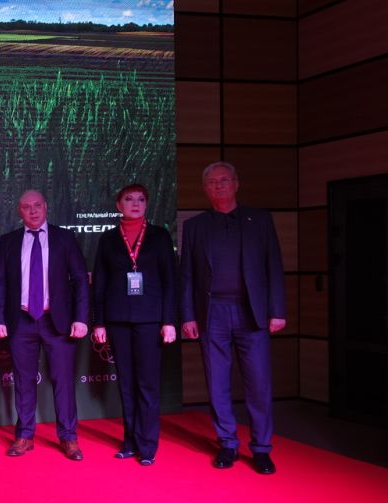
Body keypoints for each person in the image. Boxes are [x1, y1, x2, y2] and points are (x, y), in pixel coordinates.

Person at [181, 161, 286, 475]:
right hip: (212, 312)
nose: (218, 186)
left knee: (258, 383)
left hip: (252, 312)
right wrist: (188, 316)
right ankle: (227, 443)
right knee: (217, 382)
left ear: (236, 184)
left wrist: (277, 310)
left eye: (224, 180)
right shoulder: (195, 226)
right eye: (212, 182)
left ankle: (261, 448)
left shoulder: (260, 220)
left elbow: (274, 266)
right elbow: (187, 275)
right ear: (205, 189)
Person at [0, 190, 89, 459]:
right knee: (23, 381)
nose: (32, 211)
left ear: (46, 207)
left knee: (64, 382)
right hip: (21, 321)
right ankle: (24, 435)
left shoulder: (65, 238)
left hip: (57, 322)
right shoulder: (8, 242)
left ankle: (69, 437)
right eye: (26, 207)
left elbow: (81, 280)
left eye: (37, 206)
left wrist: (81, 318)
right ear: (19, 211)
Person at [91, 184, 177, 466]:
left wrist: (168, 321)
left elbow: (170, 281)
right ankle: (130, 442)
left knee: (147, 384)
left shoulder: (160, 236)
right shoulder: (108, 239)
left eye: (141, 199)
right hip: (117, 319)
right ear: (119, 205)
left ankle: (148, 445)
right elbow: (100, 283)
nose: (135, 203)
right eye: (129, 199)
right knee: (126, 384)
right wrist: (99, 322)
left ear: (147, 204)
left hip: (151, 319)